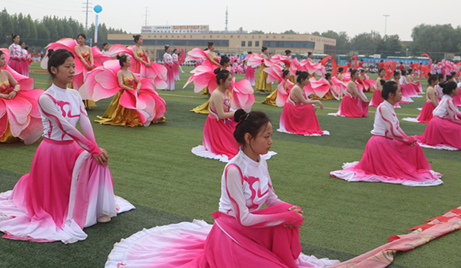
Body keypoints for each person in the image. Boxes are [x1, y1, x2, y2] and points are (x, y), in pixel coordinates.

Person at [105, 110, 338, 268]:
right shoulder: (234, 170)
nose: (270, 141)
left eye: (271, 136)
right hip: (233, 231)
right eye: (266, 136)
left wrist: (289, 209)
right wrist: (281, 216)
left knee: (285, 226)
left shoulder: (261, 161)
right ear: (249, 138)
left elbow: (270, 198)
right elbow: (243, 219)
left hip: (253, 227)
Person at [0, 49, 134, 242]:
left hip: (74, 149)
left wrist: (95, 149)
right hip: (52, 152)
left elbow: (85, 122)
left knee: (101, 161)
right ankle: (71, 210)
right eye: (68, 67)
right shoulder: (46, 98)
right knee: (57, 198)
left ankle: (96, 209)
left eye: (74, 66)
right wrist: (92, 148)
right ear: (54, 69)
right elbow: (64, 127)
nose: (72, 71)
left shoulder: (75, 94)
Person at [330, 81, 443, 186]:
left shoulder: (389, 107)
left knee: (414, 147)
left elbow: (397, 128)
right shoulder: (384, 107)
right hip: (380, 143)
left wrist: (407, 139)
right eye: (398, 91)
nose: (401, 93)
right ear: (391, 95)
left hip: (387, 141)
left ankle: (414, 168)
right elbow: (393, 131)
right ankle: (411, 169)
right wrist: (407, 140)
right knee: (408, 152)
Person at [92, 54, 166, 127]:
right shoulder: (120, 72)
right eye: (128, 60)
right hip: (125, 93)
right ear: (124, 63)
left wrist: (137, 88)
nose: (130, 62)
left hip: (133, 92)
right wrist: (130, 89)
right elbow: (121, 84)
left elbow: (138, 81)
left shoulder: (130, 72)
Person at [415, 82, 461, 153]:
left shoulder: (445, 98)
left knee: (459, 124)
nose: (458, 90)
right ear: (453, 90)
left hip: (435, 122)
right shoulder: (448, 100)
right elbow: (455, 119)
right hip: (438, 123)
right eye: (456, 88)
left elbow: (455, 111)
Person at [279, 71, 329, 136]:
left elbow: (306, 99)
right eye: (307, 79)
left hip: (295, 108)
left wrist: (313, 104)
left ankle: (308, 126)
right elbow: (304, 101)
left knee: (310, 107)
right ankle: (308, 127)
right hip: (291, 109)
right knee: (309, 107)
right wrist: (317, 101)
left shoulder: (301, 88)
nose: (308, 81)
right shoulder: (297, 88)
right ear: (302, 80)